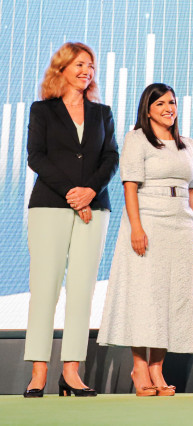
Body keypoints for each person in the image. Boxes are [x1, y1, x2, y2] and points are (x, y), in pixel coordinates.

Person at [97, 83, 193, 396]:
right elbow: (130, 186)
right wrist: (136, 227)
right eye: (160, 104)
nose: (168, 108)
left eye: (172, 102)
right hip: (148, 220)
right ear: (147, 109)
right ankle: (140, 368)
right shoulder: (136, 139)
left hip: (180, 223)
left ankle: (158, 369)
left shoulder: (188, 145)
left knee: (172, 296)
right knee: (145, 295)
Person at [23, 42, 119, 398]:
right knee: (44, 288)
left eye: (90, 65)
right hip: (49, 205)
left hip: (94, 208)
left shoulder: (102, 113)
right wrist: (72, 193)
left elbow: (111, 157)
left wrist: (90, 192)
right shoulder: (42, 110)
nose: (86, 71)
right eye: (79, 64)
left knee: (82, 290)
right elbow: (36, 156)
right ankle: (38, 373)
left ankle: (71, 373)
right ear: (61, 68)